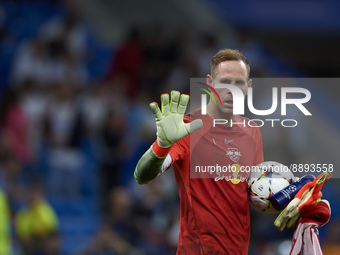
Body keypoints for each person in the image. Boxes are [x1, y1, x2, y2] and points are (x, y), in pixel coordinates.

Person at [134, 49, 263, 254]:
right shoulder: (186, 128)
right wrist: (161, 145)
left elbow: (257, 196)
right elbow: (142, 175)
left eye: (239, 83)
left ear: (248, 86)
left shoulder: (252, 131)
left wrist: (294, 200)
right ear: (210, 83)